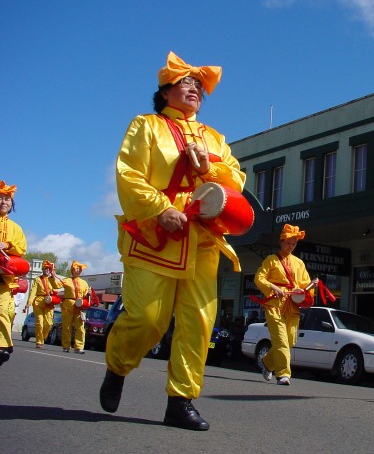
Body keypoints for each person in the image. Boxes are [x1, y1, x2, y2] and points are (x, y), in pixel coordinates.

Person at [100, 51, 245, 431]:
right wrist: (159, 209)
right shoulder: (146, 126)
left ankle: (181, 401)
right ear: (164, 92)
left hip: (203, 237)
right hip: (157, 234)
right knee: (148, 319)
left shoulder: (215, 137)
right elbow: (129, 173)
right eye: (185, 82)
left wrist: (209, 167)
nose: (195, 88)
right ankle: (117, 366)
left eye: (199, 84)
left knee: (199, 322)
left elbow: (236, 180)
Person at [254, 224, 317, 386]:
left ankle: (267, 363)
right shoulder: (271, 260)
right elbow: (259, 278)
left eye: (294, 244)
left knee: (290, 341)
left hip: (292, 306)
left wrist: (311, 286)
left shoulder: (299, 263)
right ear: (281, 242)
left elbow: (304, 285)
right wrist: (273, 287)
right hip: (274, 305)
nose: (290, 246)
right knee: (281, 340)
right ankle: (283, 374)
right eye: (288, 243)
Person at [0, 181, 27, 366]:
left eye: (7, 199)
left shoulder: (16, 228)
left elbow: (21, 248)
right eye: (0, 198)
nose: (4, 202)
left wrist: (7, 245)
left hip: (5, 278)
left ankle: (2, 346)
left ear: (12, 203)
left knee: (4, 311)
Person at [24, 260, 62, 348]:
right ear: (43, 269)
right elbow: (33, 291)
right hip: (39, 302)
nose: (47, 270)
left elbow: (58, 286)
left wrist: (53, 277)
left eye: (49, 269)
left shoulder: (52, 279)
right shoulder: (37, 279)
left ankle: (43, 337)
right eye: (45, 268)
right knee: (39, 323)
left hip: (49, 302)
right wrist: (29, 302)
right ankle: (39, 341)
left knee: (49, 323)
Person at [60, 260, 90, 354]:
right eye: (76, 269)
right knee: (67, 327)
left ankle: (79, 347)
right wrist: (53, 276)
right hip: (68, 305)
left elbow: (86, 295)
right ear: (72, 270)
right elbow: (56, 285)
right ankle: (66, 346)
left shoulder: (84, 283)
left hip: (79, 305)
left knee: (80, 327)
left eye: (79, 269)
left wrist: (89, 294)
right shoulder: (66, 280)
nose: (78, 271)